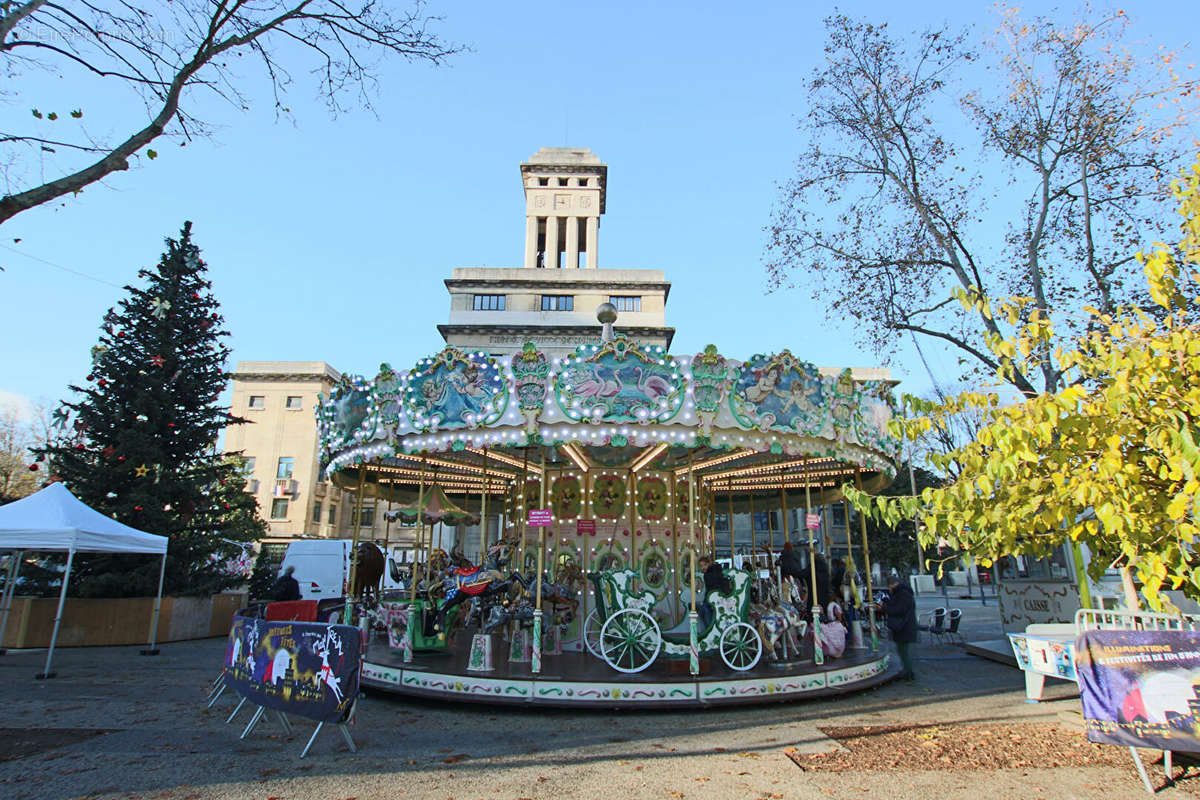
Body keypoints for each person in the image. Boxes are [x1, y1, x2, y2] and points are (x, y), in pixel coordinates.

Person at [879, 574, 917, 680]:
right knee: (902, 649)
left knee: (903, 650)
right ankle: (907, 671)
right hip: (905, 625)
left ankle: (908, 672)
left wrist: (885, 608)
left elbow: (899, 610)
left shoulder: (902, 594)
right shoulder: (903, 593)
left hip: (904, 626)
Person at [697, 556, 730, 628]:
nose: (703, 567)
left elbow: (711, 589)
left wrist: (705, 600)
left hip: (717, 598)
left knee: (704, 608)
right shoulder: (715, 571)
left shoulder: (710, 574)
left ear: (709, 564)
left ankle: (710, 628)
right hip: (716, 597)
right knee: (703, 607)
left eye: (705, 565)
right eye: (701, 566)